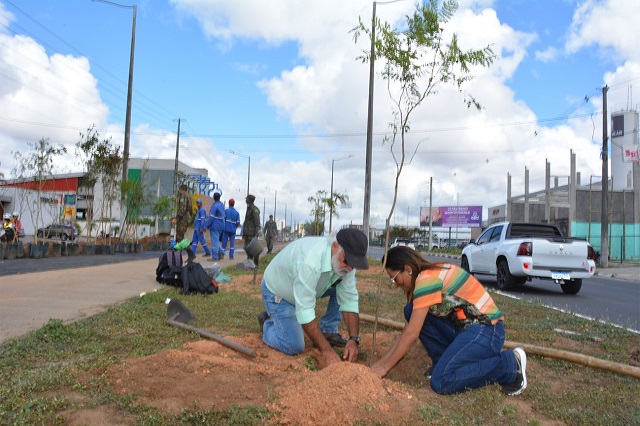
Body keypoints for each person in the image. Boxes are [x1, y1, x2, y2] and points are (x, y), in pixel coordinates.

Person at [373, 246, 527, 396]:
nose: (396, 284)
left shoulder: (427, 279)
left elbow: (412, 334)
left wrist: (384, 368)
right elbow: (408, 330)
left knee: (441, 381)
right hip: (467, 330)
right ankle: (443, 361)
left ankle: (510, 365)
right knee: (410, 310)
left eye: (394, 278)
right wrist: (380, 364)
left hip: (487, 330)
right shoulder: (426, 277)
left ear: (407, 269)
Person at [258, 228, 370, 365]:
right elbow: (305, 311)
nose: (350, 268)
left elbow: (349, 299)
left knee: (343, 285)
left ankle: (328, 331)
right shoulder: (309, 261)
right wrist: (327, 351)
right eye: (347, 261)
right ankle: (267, 324)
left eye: (354, 265)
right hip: (278, 292)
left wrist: (354, 339)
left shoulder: (345, 265)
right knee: (293, 346)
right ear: (335, 246)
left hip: (307, 287)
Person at [205, 191, 225, 260]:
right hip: (221, 225)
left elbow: (211, 217)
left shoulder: (214, 206)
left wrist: (206, 226)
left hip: (215, 226)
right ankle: (221, 254)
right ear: (219, 198)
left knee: (214, 242)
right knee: (216, 241)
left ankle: (215, 257)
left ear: (214, 198)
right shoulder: (222, 205)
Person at [242, 194, 261, 265]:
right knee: (248, 249)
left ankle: (256, 263)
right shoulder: (249, 208)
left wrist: (256, 233)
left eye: (246, 198)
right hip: (247, 233)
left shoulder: (254, 209)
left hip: (252, 233)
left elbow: (257, 222)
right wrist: (244, 233)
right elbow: (246, 222)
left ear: (250, 200)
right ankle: (250, 262)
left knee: (254, 249)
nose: (245, 200)